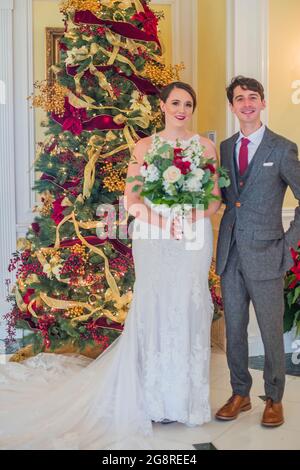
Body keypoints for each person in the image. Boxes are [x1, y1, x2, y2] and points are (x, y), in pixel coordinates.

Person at [0, 82, 220, 450]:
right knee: (155, 307)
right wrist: (164, 222)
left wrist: (190, 215)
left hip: (193, 235)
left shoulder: (207, 147)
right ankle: (152, 400)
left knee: (189, 306)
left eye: (188, 104)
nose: (182, 109)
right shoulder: (145, 146)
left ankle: (187, 401)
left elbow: (214, 200)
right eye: (176, 102)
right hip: (154, 233)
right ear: (163, 106)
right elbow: (132, 200)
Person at [215, 76, 300, 427]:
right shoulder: (224, 147)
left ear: (262, 103)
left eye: (253, 97)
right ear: (233, 107)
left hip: (268, 252)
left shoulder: (282, 148)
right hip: (230, 252)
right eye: (239, 98)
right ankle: (240, 393)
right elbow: (225, 198)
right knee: (234, 328)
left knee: (268, 329)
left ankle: (274, 397)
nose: (247, 103)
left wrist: (288, 245)